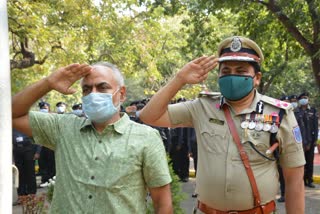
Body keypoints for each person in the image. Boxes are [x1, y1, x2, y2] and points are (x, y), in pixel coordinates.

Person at [140, 36, 305, 213]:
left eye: (240, 71)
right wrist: (179, 79)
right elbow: (149, 116)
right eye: (226, 71)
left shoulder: (279, 114)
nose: (232, 76)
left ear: (256, 78)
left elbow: (294, 181)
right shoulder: (202, 107)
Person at [12, 62, 173, 213]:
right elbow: (9, 113)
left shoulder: (146, 137)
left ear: (121, 94)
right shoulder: (63, 128)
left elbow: (162, 202)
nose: (93, 94)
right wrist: (48, 83)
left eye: (102, 88)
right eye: (87, 89)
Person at [295, 92, 319, 188]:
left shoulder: (313, 110)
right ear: (299, 100)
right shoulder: (297, 111)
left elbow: (316, 126)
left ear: (308, 99)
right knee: (301, 162)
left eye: (305, 98)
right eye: (302, 98)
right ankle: (302, 180)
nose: (304, 99)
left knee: (310, 161)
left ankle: (309, 180)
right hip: (300, 141)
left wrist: (315, 140)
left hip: (311, 140)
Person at [12, 128, 40, 198]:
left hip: (28, 148)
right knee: (19, 173)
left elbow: (37, 137)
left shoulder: (27, 122)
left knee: (30, 171)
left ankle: (32, 193)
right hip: (17, 150)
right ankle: (22, 195)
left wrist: (37, 152)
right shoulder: (11, 124)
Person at [37, 101, 56, 188]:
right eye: (42, 108)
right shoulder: (37, 118)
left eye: (45, 108)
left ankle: (52, 180)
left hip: (51, 144)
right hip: (41, 145)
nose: (44, 109)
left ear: (49, 108)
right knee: (43, 163)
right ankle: (45, 180)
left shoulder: (52, 116)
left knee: (52, 163)